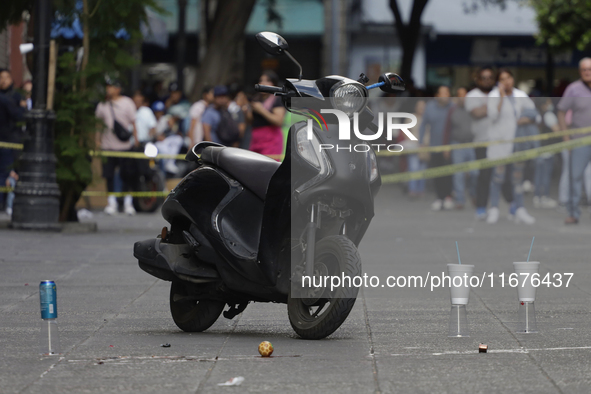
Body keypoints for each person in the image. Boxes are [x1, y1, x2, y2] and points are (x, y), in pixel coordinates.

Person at [486, 68, 536, 224]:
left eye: (508, 78)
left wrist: (523, 120)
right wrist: (501, 98)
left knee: (517, 179)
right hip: (500, 144)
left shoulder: (521, 95)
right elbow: (493, 115)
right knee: (497, 177)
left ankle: (519, 209)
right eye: (502, 79)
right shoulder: (493, 96)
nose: (506, 81)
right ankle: (494, 209)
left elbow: (534, 114)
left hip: (518, 144)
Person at [95, 78, 139, 216]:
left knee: (127, 174)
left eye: (111, 86)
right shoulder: (102, 104)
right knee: (108, 175)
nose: (108, 89)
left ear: (118, 88)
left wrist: (136, 140)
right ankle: (112, 202)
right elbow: (98, 124)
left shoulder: (127, 103)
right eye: (107, 86)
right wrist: (97, 140)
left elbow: (134, 122)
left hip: (125, 146)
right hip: (108, 147)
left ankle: (127, 202)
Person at [558, 57, 591, 224]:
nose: (587, 72)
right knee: (575, 177)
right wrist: (565, 136)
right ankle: (573, 212)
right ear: (580, 72)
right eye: (584, 69)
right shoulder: (573, 89)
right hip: (579, 141)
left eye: (590, 69)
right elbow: (561, 111)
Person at [465, 66, 495, 219]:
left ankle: (507, 206)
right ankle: (481, 206)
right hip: (481, 143)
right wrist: (494, 106)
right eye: (484, 77)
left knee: (501, 176)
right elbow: (477, 113)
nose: (487, 80)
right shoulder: (472, 95)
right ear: (478, 80)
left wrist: (486, 107)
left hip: (499, 142)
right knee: (483, 176)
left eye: (490, 77)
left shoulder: (498, 94)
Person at [419, 85, 454, 210]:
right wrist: (421, 142)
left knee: (449, 173)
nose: (446, 95)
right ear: (437, 95)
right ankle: (439, 198)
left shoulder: (453, 107)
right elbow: (423, 124)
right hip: (434, 146)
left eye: (447, 92)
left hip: (450, 146)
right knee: (437, 172)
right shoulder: (430, 107)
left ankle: (448, 196)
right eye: (443, 93)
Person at [442, 87, 477, 209]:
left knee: (474, 173)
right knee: (458, 174)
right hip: (457, 144)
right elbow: (447, 129)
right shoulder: (452, 110)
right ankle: (460, 200)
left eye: (464, 95)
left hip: (472, 144)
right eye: (459, 95)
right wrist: (446, 146)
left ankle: (473, 193)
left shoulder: (473, 109)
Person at [0, 69, 25, 210]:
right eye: (1, 77)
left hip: (11, 140)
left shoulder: (15, 95)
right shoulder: (8, 99)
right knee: (6, 172)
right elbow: (19, 114)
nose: (3, 80)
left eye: (6, 77)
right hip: (8, 141)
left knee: (9, 172)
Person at [248, 71, 286, 156]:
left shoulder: (277, 99)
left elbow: (278, 121)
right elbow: (251, 121)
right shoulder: (256, 98)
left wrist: (261, 110)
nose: (263, 83)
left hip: (271, 140)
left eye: (267, 81)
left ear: (274, 84)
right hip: (256, 138)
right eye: (261, 81)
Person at [533, 98, 559, 209]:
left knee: (539, 174)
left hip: (538, 148)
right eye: (548, 102)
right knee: (546, 174)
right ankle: (544, 197)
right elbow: (557, 130)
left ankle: (537, 197)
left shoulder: (537, 115)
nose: (551, 104)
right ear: (544, 105)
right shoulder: (549, 115)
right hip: (547, 149)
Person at [402, 100, 426, 197]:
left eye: (423, 107)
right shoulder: (411, 118)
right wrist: (413, 141)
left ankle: (421, 191)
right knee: (414, 168)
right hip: (413, 147)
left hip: (425, 147)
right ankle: (412, 190)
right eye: (419, 107)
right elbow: (404, 130)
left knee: (423, 170)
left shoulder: (427, 118)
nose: (421, 109)